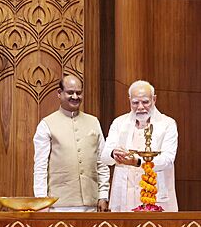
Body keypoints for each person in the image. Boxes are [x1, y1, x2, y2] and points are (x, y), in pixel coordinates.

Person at [33, 74, 110, 212]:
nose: (75, 97)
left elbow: (102, 163)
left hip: (91, 205)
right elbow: (40, 166)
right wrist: (41, 201)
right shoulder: (46, 124)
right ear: (59, 93)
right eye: (70, 92)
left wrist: (103, 195)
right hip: (58, 205)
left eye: (79, 93)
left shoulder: (93, 122)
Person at [101, 80, 178, 212]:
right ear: (130, 100)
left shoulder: (167, 124)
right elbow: (104, 157)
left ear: (154, 99)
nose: (140, 107)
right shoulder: (119, 123)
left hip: (156, 195)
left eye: (145, 102)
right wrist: (114, 153)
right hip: (124, 196)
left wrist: (137, 161)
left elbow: (167, 160)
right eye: (135, 102)